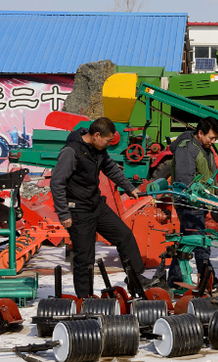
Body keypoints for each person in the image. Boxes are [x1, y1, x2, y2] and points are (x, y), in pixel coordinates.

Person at [50, 117, 154, 298]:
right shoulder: (71, 151)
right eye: (107, 141)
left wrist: (130, 188)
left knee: (125, 236)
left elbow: (112, 169)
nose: (108, 144)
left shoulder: (98, 149)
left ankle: (136, 279)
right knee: (85, 259)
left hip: (96, 205)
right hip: (78, 211)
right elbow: (57, 183)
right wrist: (64, 213)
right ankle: (85, 300)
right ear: (96, 135)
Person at [168, 116, 218, 294]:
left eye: (215, 138)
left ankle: (174, 280)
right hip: (190, 202)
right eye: (211, 138)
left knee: (186, 242)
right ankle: (209, 280)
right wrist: (202, 196)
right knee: (201, 242)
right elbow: (185, 180)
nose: (213, 142)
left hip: (200, 202)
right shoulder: (187, 149)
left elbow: (204, 174)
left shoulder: (203, 147)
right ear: (200, 133)